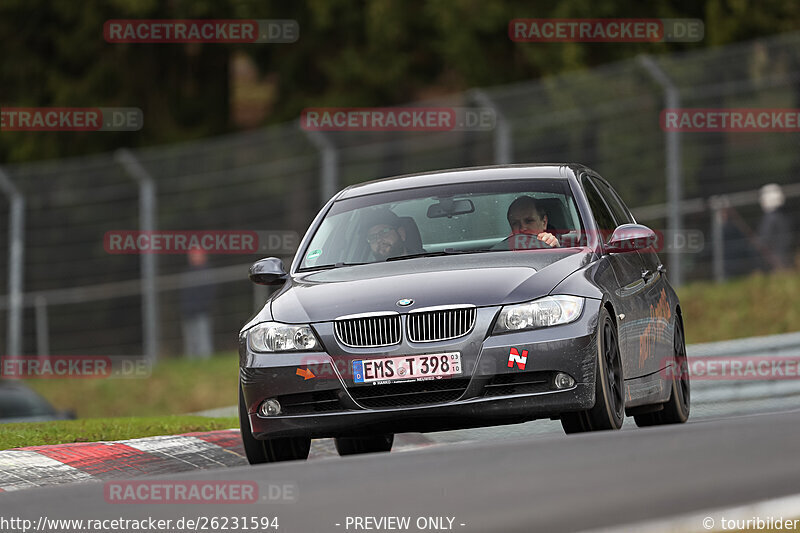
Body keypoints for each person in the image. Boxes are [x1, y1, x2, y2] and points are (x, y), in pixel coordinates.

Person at [180, 247, 215, 358]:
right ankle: (192, 362)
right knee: (190, 341)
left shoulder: (207, 273)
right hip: (188, 312)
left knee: (203, 339)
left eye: (196, 255)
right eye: (192, 255)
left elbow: (209, 293)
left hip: (201, 311)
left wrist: (202, 305)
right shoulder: (188, 273)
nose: (193, 258)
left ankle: (205, 361)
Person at [757, 183, 793, 271]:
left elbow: (765, 238)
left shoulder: (770, 218)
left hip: (775, 257)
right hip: (783, 254)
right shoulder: (783, 215)